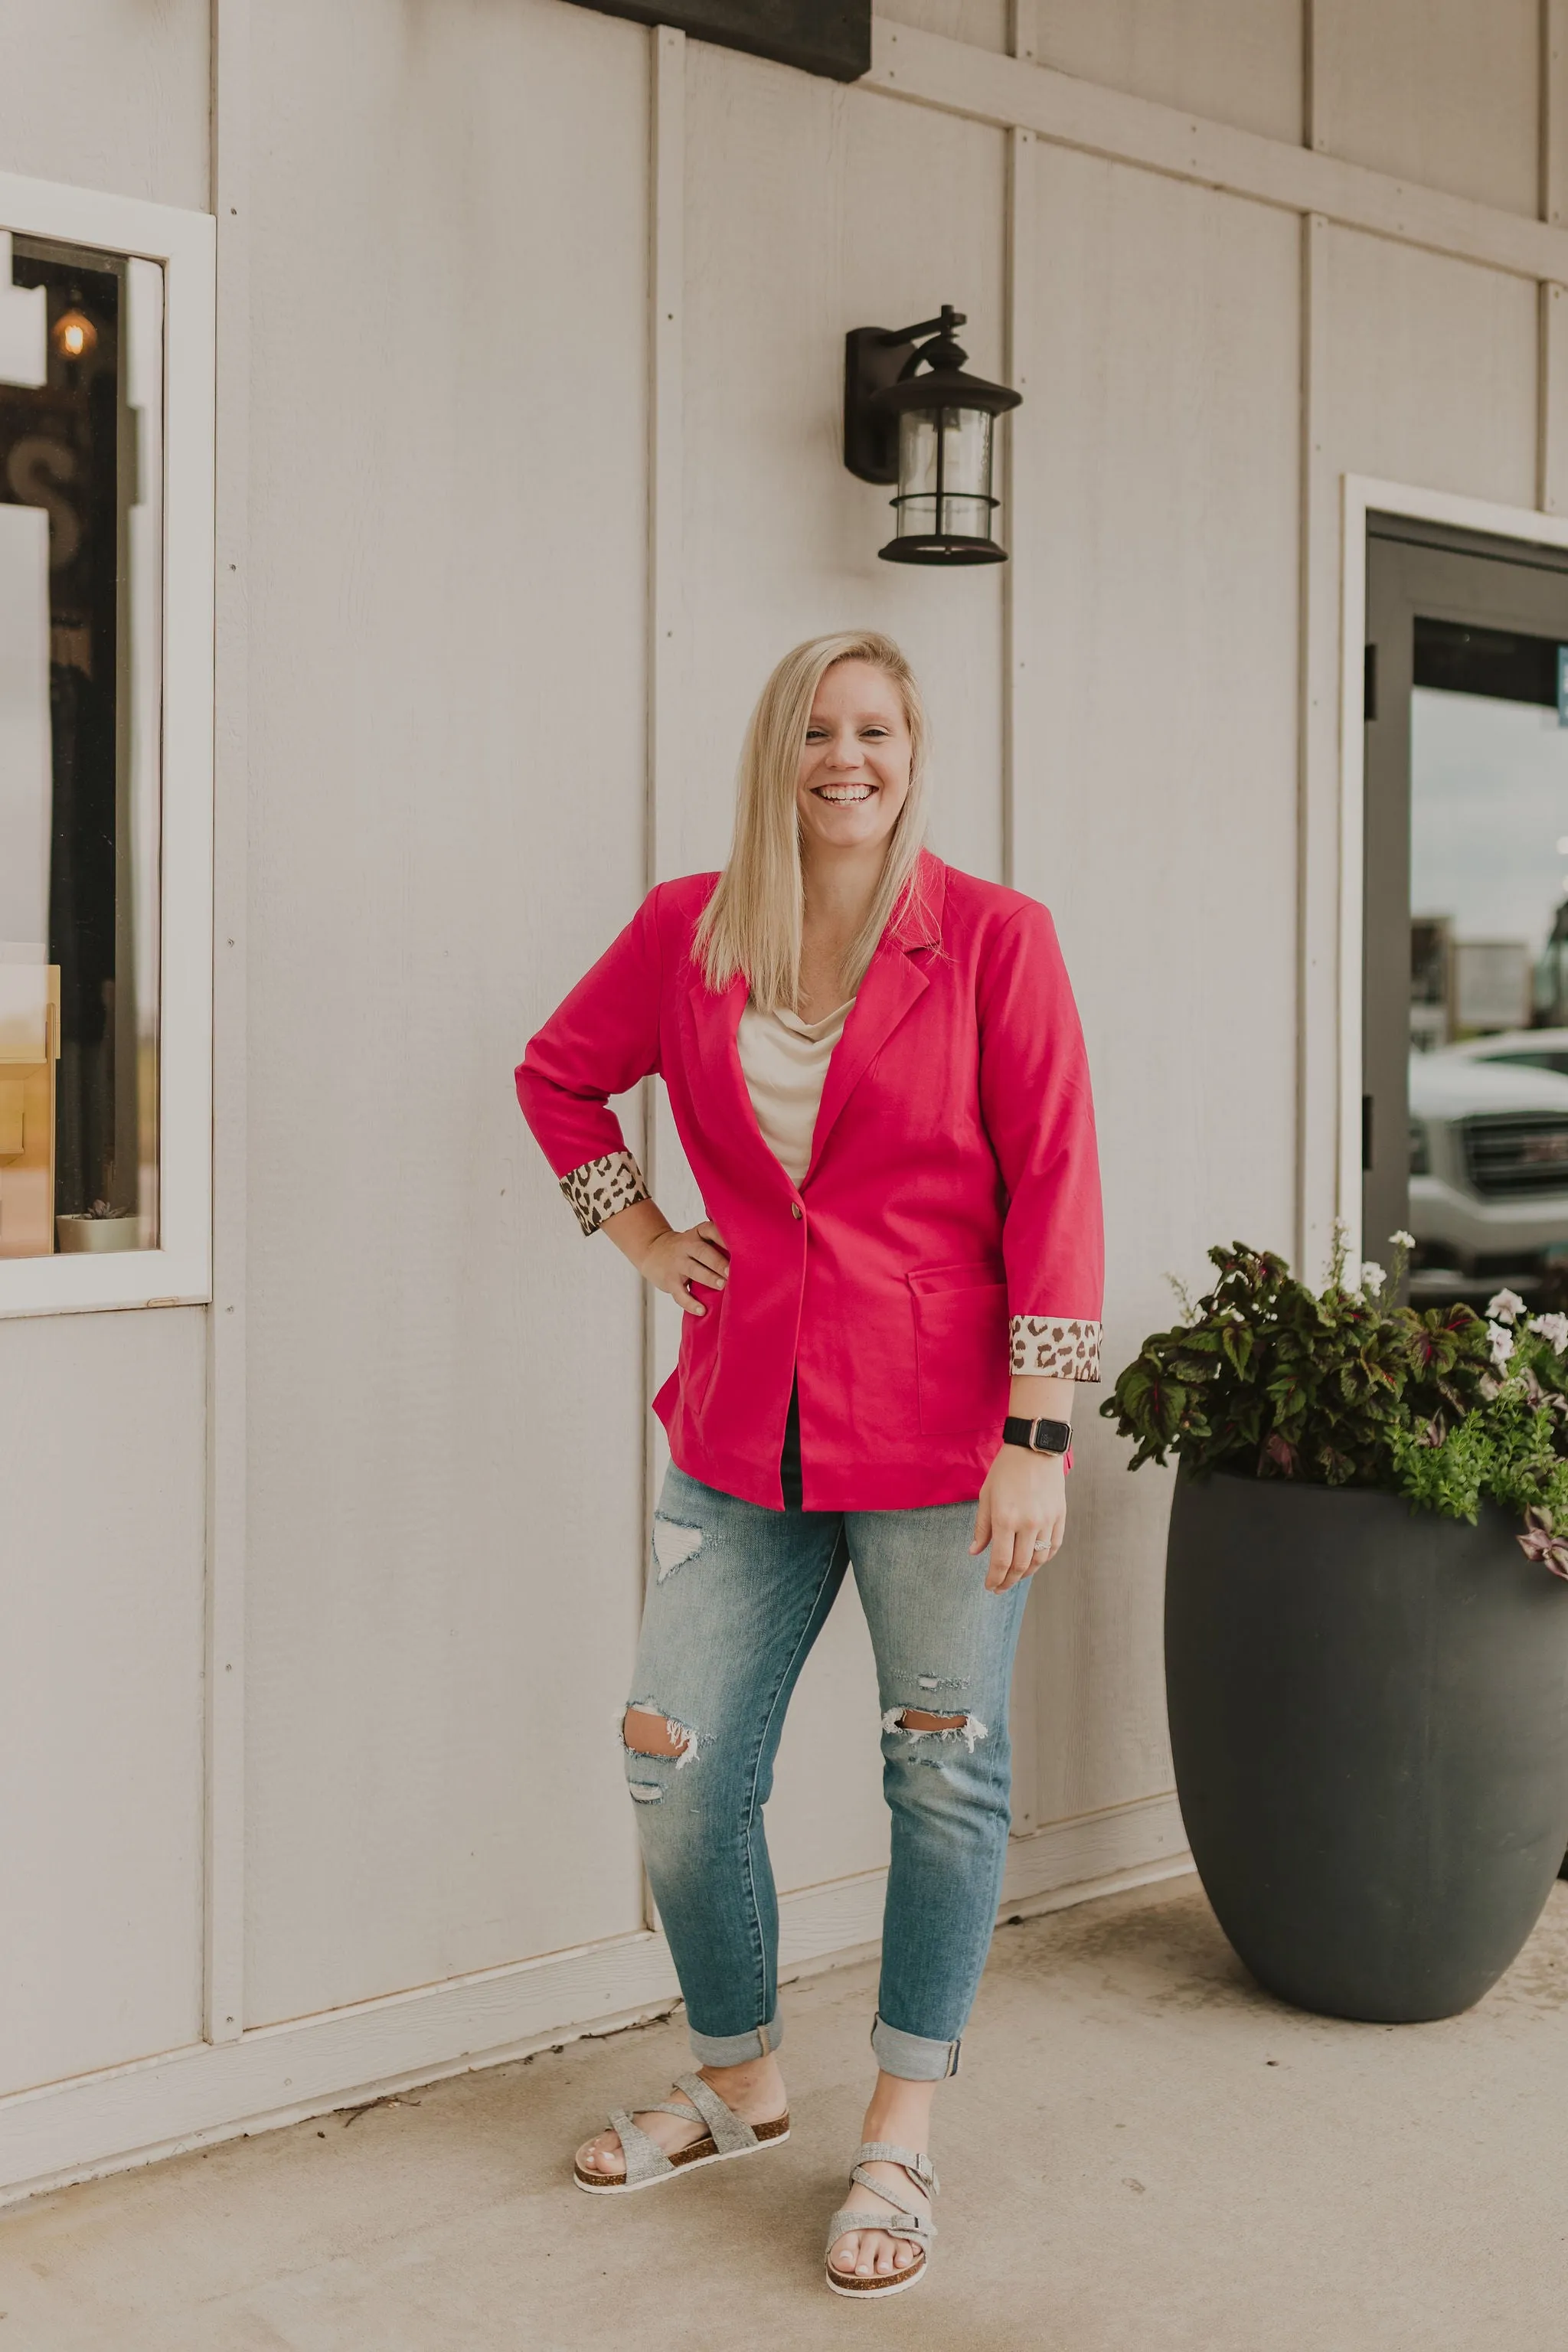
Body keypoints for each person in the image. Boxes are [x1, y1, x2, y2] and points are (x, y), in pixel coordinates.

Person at [516, 630, 1102, 2299]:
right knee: (674, 1759)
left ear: (912, 753)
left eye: (876, 731)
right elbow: (556, 1075)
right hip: (737, 1420)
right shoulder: (688, 929)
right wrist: (633, 1229)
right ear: (778, 751)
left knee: (941, 1776)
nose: (846, 759)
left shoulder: (995, 940)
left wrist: (1036, 1437)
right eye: (818, 732)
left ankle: (900, 2131)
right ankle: (739, 2077)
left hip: (940, 1443)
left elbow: (1057, 1183)